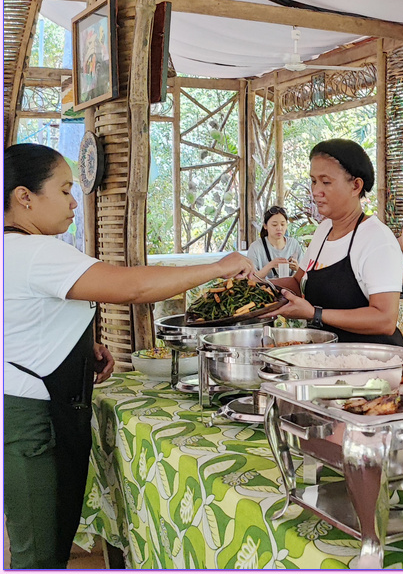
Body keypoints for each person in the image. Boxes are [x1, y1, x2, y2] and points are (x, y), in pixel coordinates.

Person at [3, 143, 254, 569]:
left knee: (48, 540)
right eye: (64, 191)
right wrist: (217, 267)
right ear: (25, 197)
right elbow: (131, 287)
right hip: (33, 421)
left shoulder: (15, 249)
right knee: (39, 554)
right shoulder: (34, 251)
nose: (73, 204)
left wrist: (83, 349)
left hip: (31, 404)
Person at [270, 139, 403, 346]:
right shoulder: (324, 230)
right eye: (314, 181)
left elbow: (385, 320)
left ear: (356, 185)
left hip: (371, 363)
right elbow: (297, 282)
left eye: (326, 182)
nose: (316, 191)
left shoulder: (377, 239)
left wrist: (316, 314)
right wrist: (254, 285)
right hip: (327, 356)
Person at [248, 206, 306, 279]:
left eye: (282, 224)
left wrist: (297, 268)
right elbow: (251, 278)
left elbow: (304, 275)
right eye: (274, 225)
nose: (279, 228)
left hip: (289, 289)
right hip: (264, 289)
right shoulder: (255, 247)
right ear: (265, 226)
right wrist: (271, 265)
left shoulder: (294, 244)